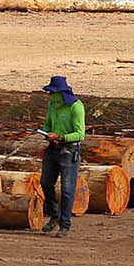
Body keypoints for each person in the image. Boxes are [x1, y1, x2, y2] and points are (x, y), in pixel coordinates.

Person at [38, 75, 86, 237]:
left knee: (67, 189)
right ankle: (54, 215)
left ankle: (65, 224)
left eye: (52, 92)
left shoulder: (76, 107)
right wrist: (46, 133)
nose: (50, 95)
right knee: (45, 183)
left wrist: (60, 137)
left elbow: (80, 134)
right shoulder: (53, 105)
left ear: (61, 92)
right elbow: (47, 124)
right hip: (53, 149)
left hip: (69, 151)